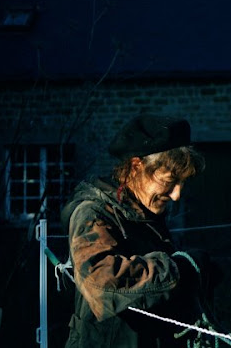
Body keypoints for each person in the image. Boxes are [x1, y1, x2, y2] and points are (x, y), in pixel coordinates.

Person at [61, 113, 217, 347]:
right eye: (170, 181)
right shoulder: (93, 213)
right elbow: (101, 284)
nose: (177, 195)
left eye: (182, 183)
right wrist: (178, 269)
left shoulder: (144, 211)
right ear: (136, 166)